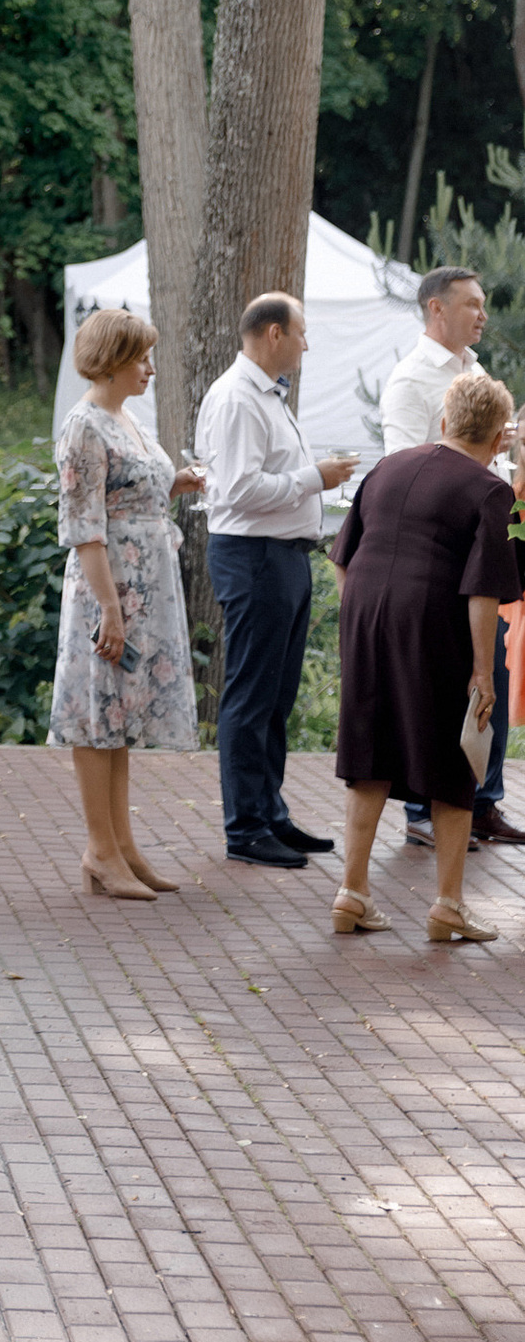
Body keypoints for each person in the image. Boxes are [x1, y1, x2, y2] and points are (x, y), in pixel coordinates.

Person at [329, 367, 525, 945]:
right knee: (456, 758)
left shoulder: (387, 467)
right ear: (497, 441)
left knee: (369, 751)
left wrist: (364, 618)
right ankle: (447, 906)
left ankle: (352, 892)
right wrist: (483, 673)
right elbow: (483, 588)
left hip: (365, 615)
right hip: (432, 621)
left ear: (443, 421)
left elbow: (342, 556)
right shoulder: (490, 490)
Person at [194, 293, 359, 868]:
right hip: (255, 556)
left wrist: (308, 481)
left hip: (280, 555)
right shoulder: (239, 398)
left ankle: (270, 812)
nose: (306, 344)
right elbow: (237, 490)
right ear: (272, 334)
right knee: (251, 693)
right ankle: (245, 829)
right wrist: (315, 477)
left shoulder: (264, 395)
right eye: (301, 333)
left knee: (276, 695)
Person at [47, 304, 205, 898]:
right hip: (108, 588)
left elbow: (129, 485)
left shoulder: (125, 419)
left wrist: (177, 480)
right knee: (96, 715)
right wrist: (109, 607)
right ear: (111, 361)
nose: (150, 367)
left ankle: (121, 845)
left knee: (119, 715)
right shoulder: (84, 424)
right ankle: (99, 849)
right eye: (141, 357)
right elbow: (84, 524)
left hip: (145, 585)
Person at [377, 269, 523, 849]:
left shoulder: (475, 371)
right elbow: (400, 465)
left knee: (493, 674)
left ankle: (482, 800)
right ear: (436, 308)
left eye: (484, 305)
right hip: (438, 547)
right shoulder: (410, 381)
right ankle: (422, 807)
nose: (483, 315)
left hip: (486, 534)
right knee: (439, 680)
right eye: (472, 305)